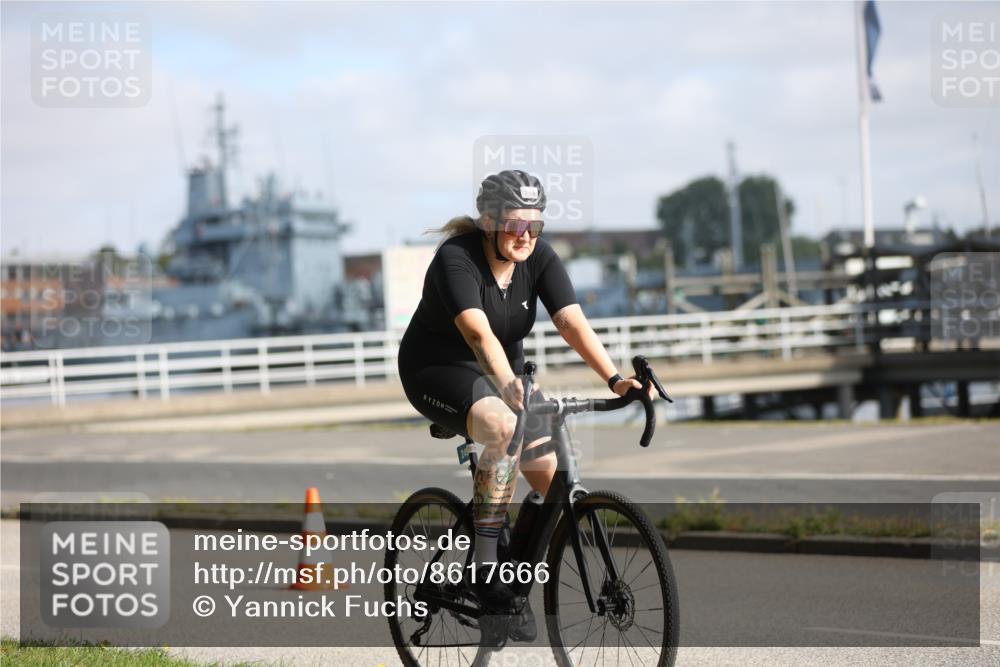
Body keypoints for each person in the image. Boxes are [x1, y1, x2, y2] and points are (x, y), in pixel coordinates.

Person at [397, 170, 654, 623]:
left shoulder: (539, 258)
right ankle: (484, 567)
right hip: (436, 371)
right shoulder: (456, 259)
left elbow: (572, 322)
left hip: (503, 375)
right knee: (501, 425)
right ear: (489, 222)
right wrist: (509, 385)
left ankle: (513, 582)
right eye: (515, 225)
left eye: (535, 226)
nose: (525, 236)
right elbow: (478, 336)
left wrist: (615, 380)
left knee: (549, 478)